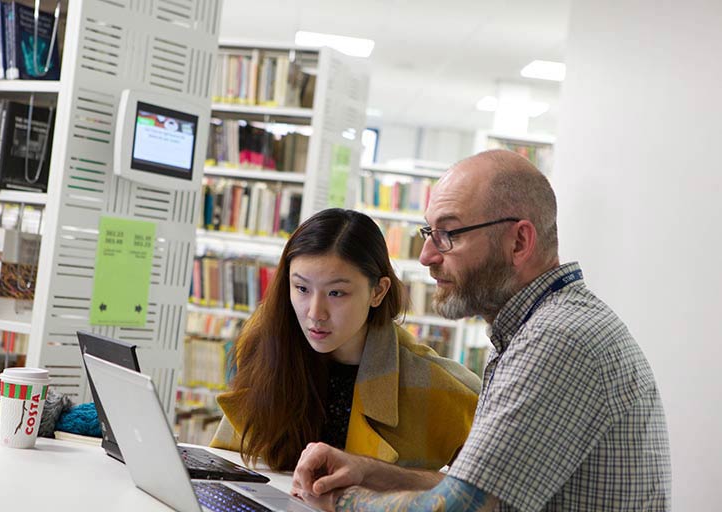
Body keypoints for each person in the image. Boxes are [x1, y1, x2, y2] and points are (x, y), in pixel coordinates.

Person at [291, 150, 671, 511]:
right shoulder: (534, 329)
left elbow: (460, 507)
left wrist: (341, 501)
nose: (427, 256)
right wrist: (368, 471)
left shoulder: (558, 339)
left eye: (449, 234)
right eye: (429, 233)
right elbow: (474, 489)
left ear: (519, 241)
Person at [209, 208, 481, 471]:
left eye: (336, 293)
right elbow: (229, 465)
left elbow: (493, 495)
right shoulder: (265, 347)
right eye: (302, 288)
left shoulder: (438, 385)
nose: (315, 313)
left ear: (378, 291)